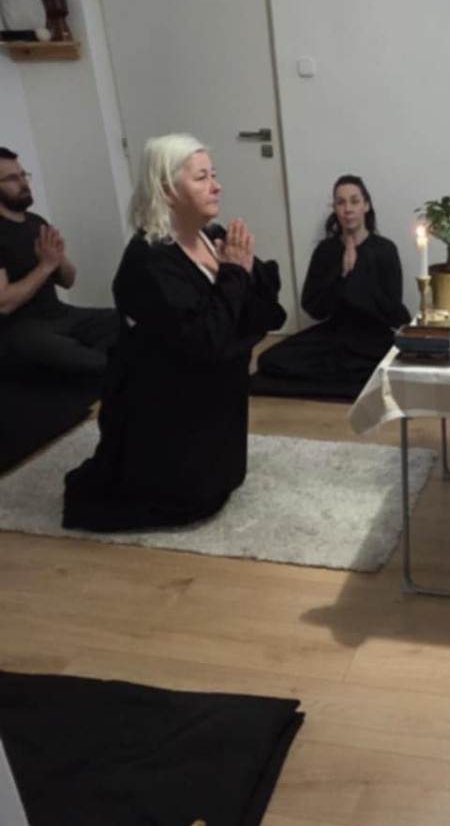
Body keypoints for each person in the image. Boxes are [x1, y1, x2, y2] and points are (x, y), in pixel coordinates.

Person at [63, 135, 284, 531]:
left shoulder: (211, 236)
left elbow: (258, 314)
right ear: (166, 190)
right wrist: (234, 274)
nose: (216, 186)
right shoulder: (147, 262)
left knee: (224, 480)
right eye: (201, 178)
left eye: (213, 175)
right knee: (191, 501)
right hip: (168, 403)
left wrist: (243, 272)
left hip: (216, 395)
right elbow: (205, 338)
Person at [253, 175, 406, 402]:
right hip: (335, 335)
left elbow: (393, 311)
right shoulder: (326, 250)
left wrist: (357, 276)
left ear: (366, 205)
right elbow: (314, 308)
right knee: (269, 360)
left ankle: (338, 379)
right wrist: (341, 276)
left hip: (372, 339)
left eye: (354, 201)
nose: (348, 209)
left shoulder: (385, 250)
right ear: (334, 209)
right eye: (341, 203)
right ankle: (346, 380)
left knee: (389, 366)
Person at [0, 149, 118, 377]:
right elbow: (3, 303)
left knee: (124, 321)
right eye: (13, 179)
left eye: (23, 175)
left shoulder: (36, 222)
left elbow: (68, 281)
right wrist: (45, 266)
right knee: (88, 360)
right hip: (22, 328)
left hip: (60, 315)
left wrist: (58, 259)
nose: (24, 184)